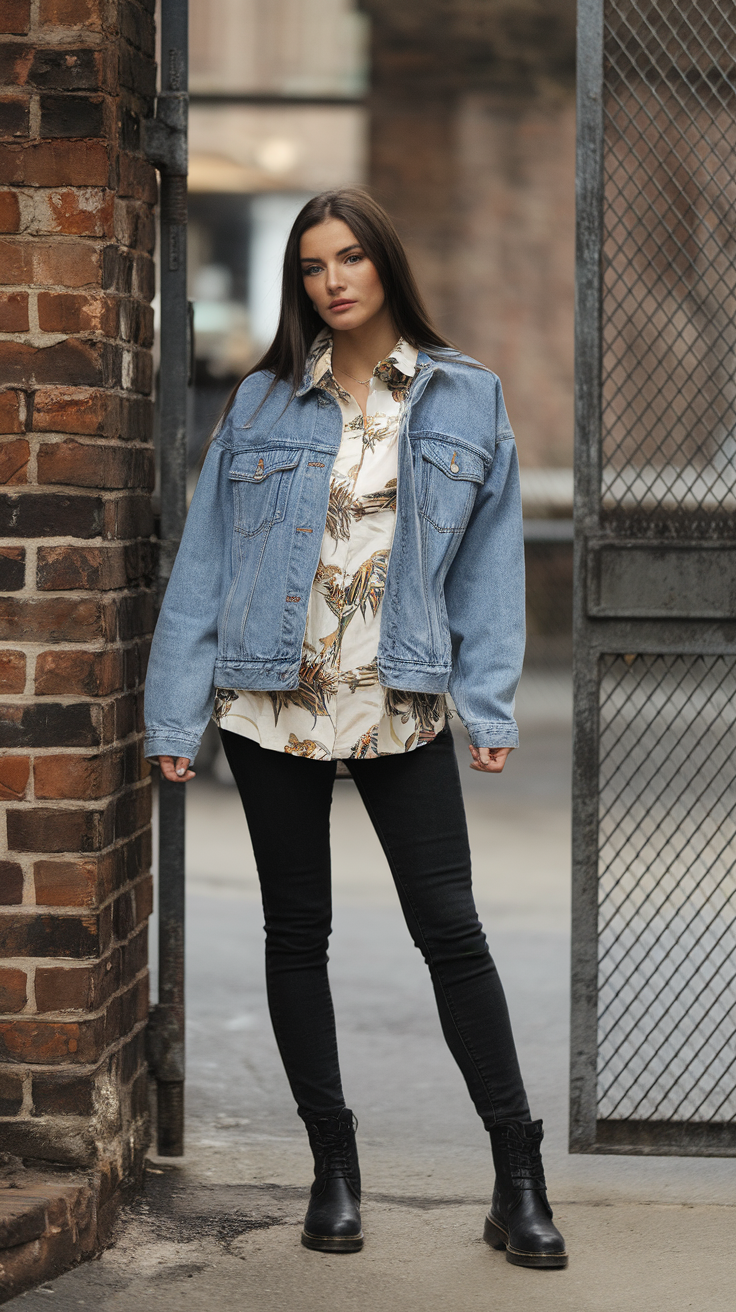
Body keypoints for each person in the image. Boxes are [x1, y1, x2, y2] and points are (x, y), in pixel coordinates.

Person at [144, 188, 567, 1269]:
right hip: (267, 701)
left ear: (385, 265)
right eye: (312, 267)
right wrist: (174, 711)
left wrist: (486, 699)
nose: (332, 281)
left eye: (350, 259)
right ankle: (332, 1169)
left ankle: (516, 1176)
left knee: (450, 931)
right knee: (298, 934)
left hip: (401, 701)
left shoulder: (464, 395)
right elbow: (207, 564)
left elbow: (485, 567)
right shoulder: (261, 401)